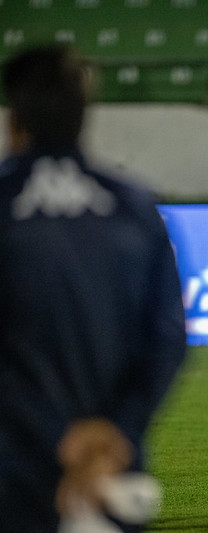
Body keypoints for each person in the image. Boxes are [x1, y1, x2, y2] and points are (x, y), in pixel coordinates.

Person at [0, 44, 187, 531]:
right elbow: (167, 336)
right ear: (84, 116)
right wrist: (111, 433)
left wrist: (56, 437)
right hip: (110, 472)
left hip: (15, 472)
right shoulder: (135, 208)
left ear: (14, 119)